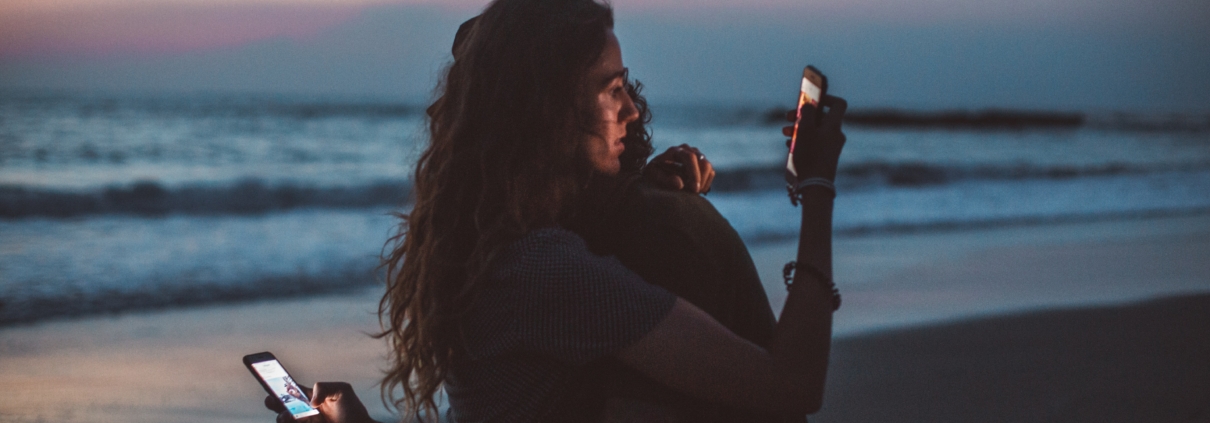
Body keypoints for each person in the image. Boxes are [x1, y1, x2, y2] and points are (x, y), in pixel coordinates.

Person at [268, 0, 848, 421]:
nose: (633, 111)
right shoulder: (549, 272)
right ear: (547, 111)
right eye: (610, 88)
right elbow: (792, 387)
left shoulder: (493, 244)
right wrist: (817, 188)